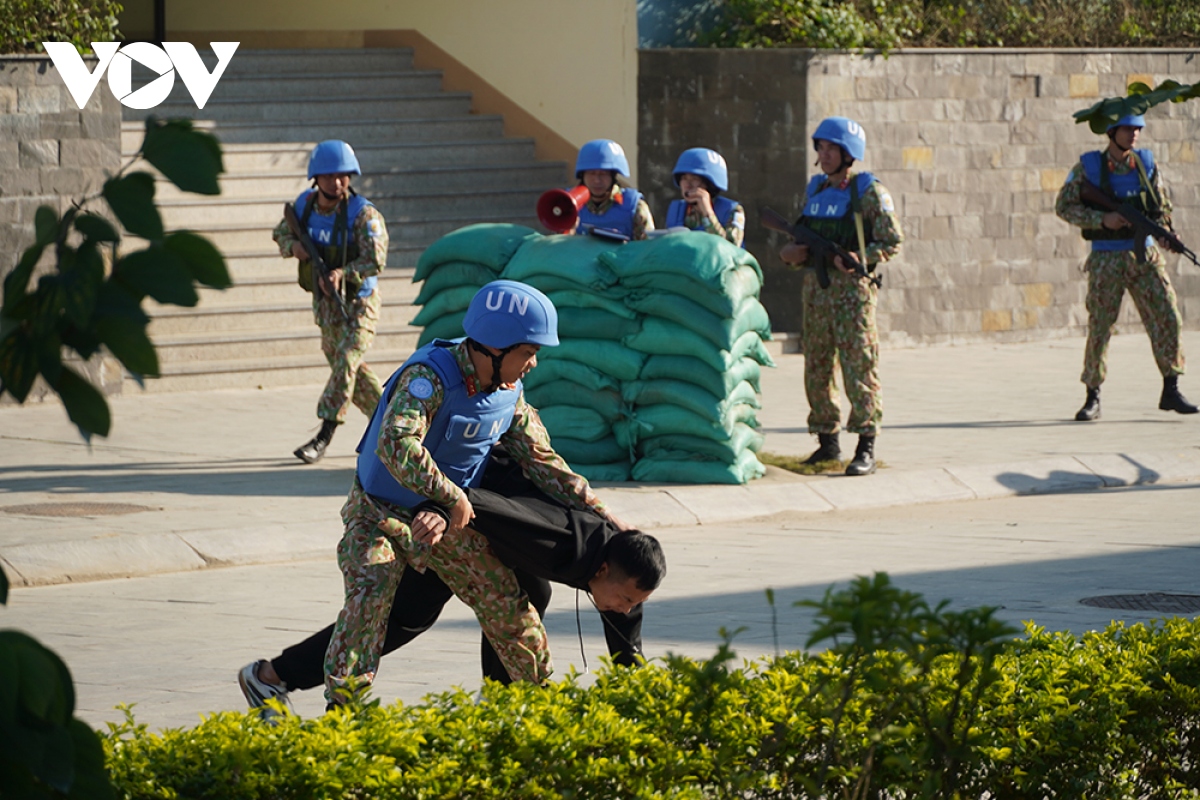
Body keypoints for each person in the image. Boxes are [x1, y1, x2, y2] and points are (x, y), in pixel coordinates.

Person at [308, 280, 641, 708]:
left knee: (508, 605)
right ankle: (343, 711)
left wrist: (604, 514)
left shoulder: (509, 394)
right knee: (369, 594)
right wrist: (450, 495)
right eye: (528, 352)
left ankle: (540, 705)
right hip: (380, 514)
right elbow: (396, 445)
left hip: (448, 520)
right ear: (495, 348)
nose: (533, 364)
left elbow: (545, 464)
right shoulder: (428, 378)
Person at [237, 465, 665, 716]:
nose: (624, 609)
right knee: (406, 618)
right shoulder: (552, 538)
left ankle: (503, 709)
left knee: (531, 598)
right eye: (626, 600)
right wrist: (436, 509)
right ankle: (270, 677)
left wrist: (643, 701)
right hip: (458, 522)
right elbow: (486, 505)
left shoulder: (625, 563)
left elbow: (627, 642)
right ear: (604, 567)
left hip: (495, 546)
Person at [778, 117, 904, 476]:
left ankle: (865, 445)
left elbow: (892, 241)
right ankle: (826, 442)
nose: (825, 153)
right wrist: (792, 254)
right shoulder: (815, 191)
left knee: (859, 369)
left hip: (852, 296)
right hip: (817, 294)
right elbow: (801, 238)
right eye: (821, 147)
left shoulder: (869, 192)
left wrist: (859, 259)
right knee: (817, 368)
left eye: (833, 148)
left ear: (850, 153)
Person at [1054, 114, 1197, 422]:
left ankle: (1171, 387)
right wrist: (1100, 220)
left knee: (1168, 314)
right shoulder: (1089, 168)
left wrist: (1166, 233)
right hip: (1107, 258)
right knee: (1101, 327)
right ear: (1112, 132)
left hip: (1145, 256)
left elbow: (1162, 205)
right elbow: (1063, 206)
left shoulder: (1146, 166)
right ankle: (1093, 395)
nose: (1134, 134)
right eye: (1128, 129)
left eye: (1137, 129)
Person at [272, 140, 387, 464]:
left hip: (360, 302)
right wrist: (293, 246)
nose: (337, 183)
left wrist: (343, 273)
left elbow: (375, 261)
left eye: (344, 176)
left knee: (348, 359)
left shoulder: (363, 214)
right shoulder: (305, 207)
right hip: (325, 305)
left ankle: (324, 434)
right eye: (329, 176)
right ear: (315, 178)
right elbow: (281, 233)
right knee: (349, 370)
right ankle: (391, 424)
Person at [571, 138, 655, 241]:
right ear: (582, 175)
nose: (597, 180)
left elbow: (649, 248)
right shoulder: (569, 204)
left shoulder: (635, 207)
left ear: (613, 176)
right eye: (591, 173)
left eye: (603, 174)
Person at [664, 147, 746, 247]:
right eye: (684, 178)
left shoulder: (732, 211)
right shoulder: (676, 209)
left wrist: (708, 213)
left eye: (694, 179)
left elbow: (731, 249)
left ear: (709, 184)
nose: (688, 185)